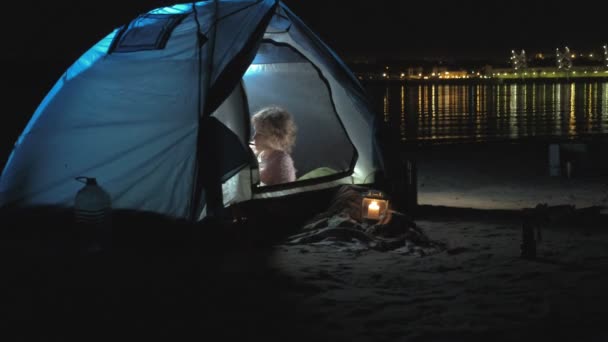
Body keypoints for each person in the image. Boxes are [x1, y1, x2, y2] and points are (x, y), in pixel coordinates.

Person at [250, 106, 297, 186]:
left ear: (276, 137)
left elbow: (285, 192)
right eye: (255, 131)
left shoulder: (283, 162)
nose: (254, 137)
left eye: (260, 133)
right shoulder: (261, 152)